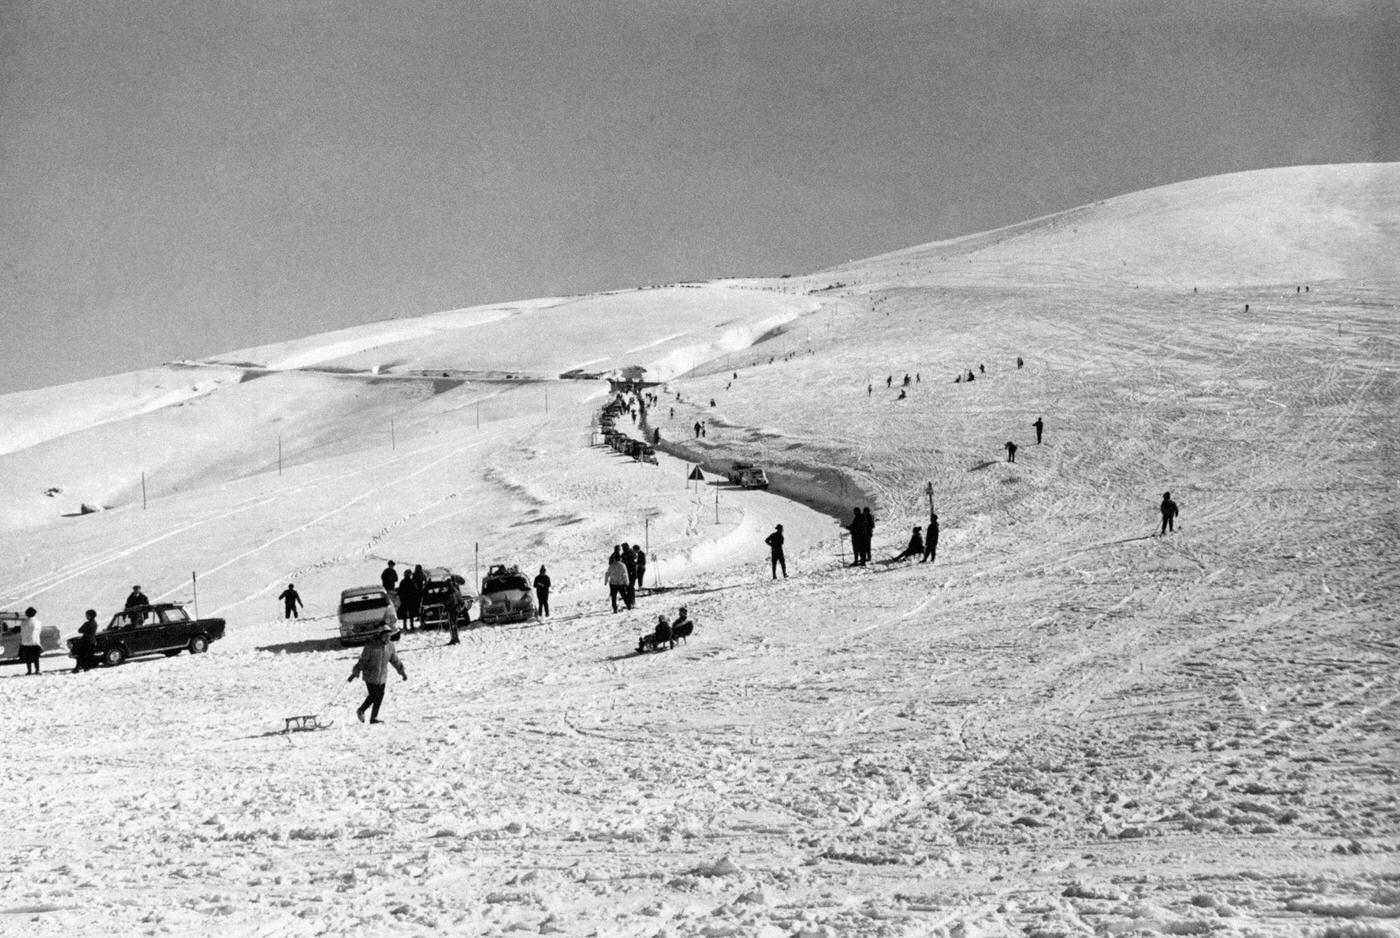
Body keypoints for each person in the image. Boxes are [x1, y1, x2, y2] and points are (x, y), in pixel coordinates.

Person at [348, 624, 406, 724]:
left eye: (389, 636)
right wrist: (355, 672)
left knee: (380, 695)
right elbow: (363, 660)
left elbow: (395, 660)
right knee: (374, 695)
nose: (388, 638)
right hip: (370, 674)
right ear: (380, 636)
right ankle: (361, 710)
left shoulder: (390, 646)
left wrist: (402, 672)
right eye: (385, 636)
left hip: (382, 675)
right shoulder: (371, 646)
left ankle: (373, 718)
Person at [19, 607, 42, 675]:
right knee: (36, 658)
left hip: (25, 642)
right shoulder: (37, 622)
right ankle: (37, 670)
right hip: (34, 642)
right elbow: (39, 631)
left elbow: (22, 632)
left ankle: (29, 671)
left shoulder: (23, 622)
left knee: (28, 658)